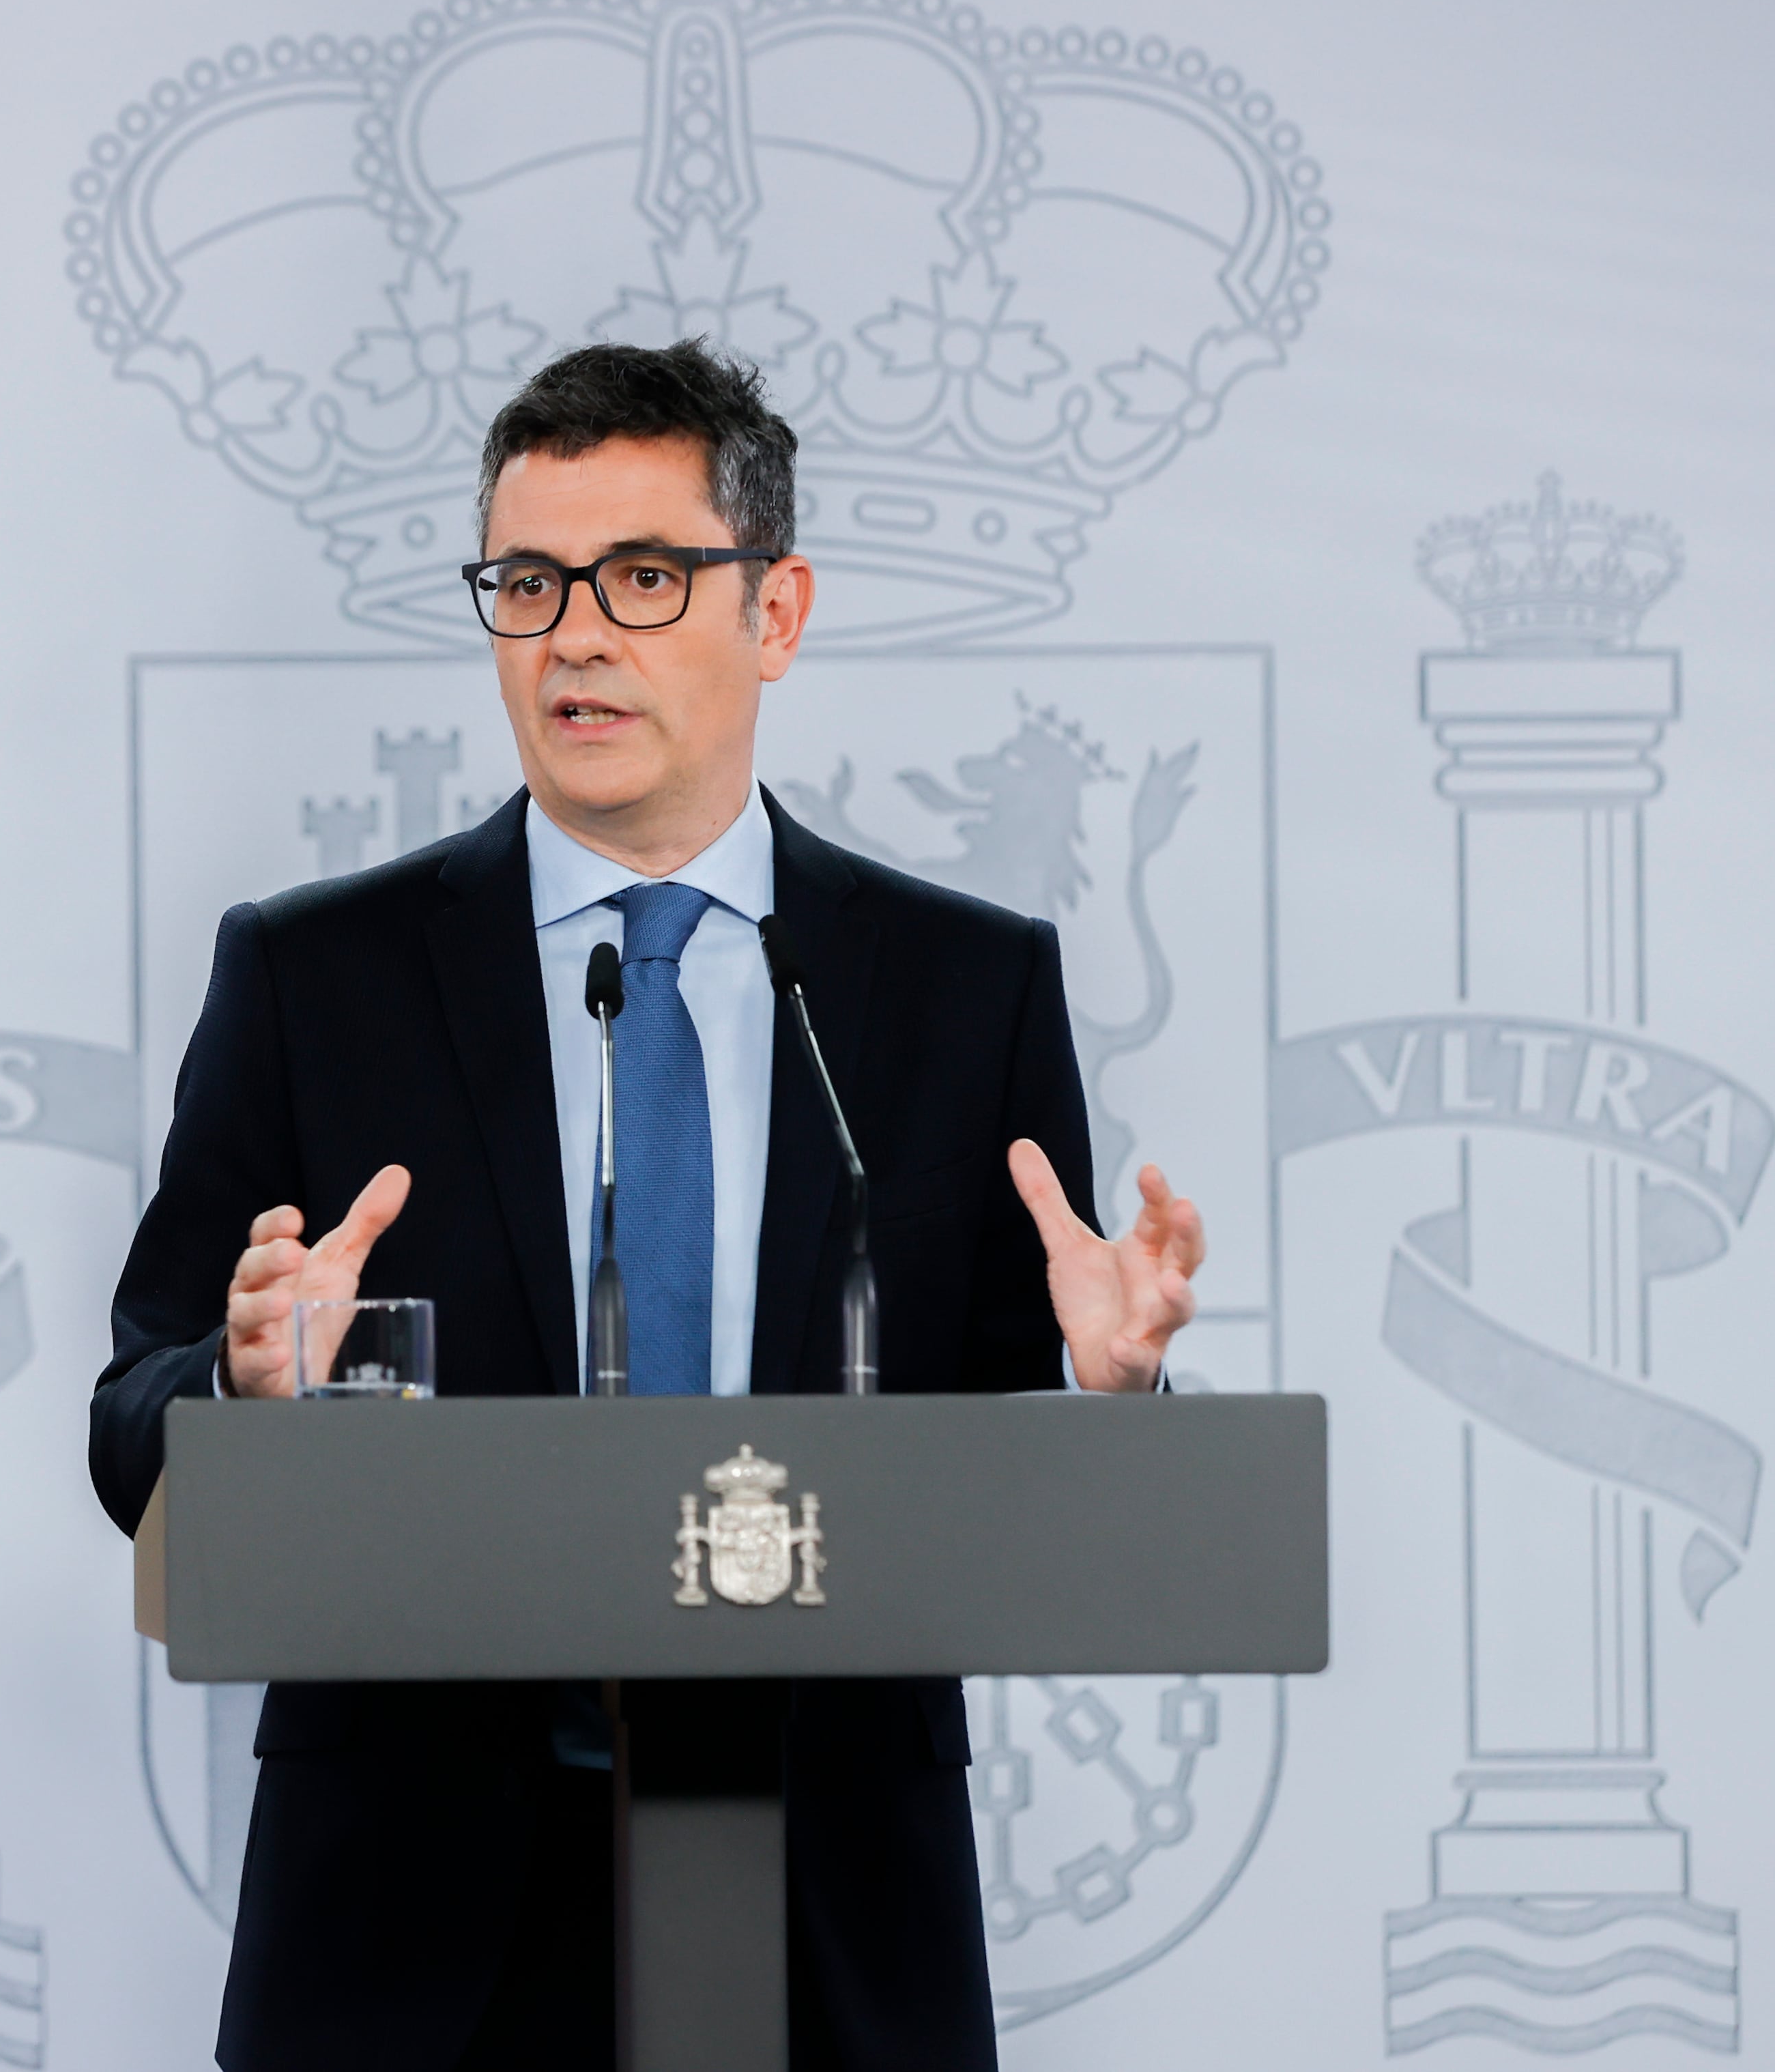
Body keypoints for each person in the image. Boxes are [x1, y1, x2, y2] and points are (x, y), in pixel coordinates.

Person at [89, 339, 1204, 2072]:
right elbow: (127, 1419)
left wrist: (1106, 1396)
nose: (574, 635)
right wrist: (243, 1389)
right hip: (412, 1931)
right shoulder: (316, 974)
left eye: (643, 576)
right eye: (526, 583)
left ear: (774, 613)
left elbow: (1015, 1500)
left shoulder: (959, 989)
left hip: (827, 1904)